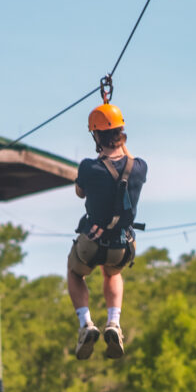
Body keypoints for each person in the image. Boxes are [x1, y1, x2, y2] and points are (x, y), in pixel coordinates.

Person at [67, 101, 147, 359]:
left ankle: (85, 324)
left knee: (75, 272)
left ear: (96, 135)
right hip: (123, 245)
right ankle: (114, 322)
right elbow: (129, 159)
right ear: (122, 134)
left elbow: (80, 192)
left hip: (92, 242)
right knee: (112, 274)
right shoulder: (139, 168)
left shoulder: (89, 167)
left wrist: (100, 155)